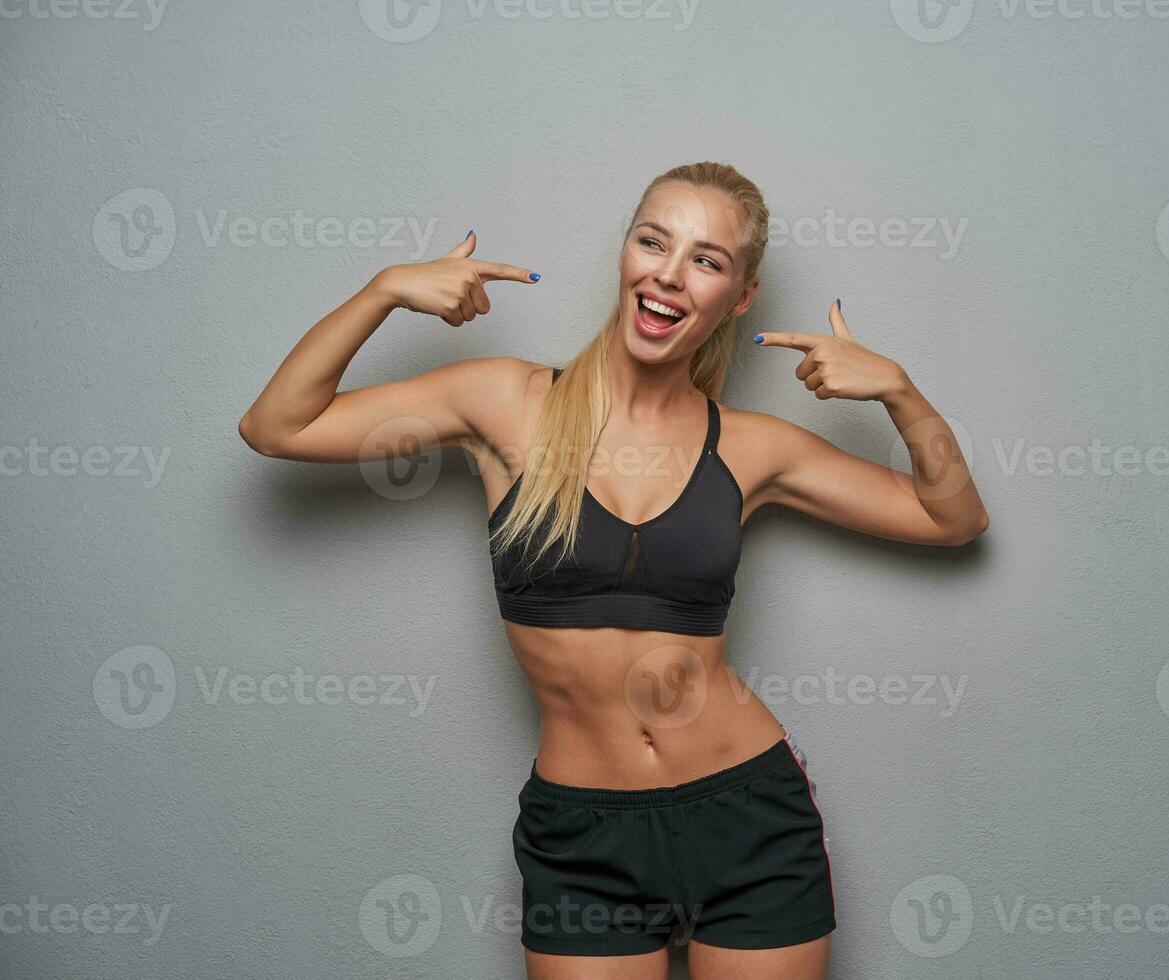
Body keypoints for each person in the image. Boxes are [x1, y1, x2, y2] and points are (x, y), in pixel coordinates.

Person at [238, 161, 988, 979]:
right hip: (581, 836)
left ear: (740, 297)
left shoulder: (750, 446)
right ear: (627, 256)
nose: (669, 272)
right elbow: (278, 425)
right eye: (653, 242)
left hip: (748, 820)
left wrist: (903, 397)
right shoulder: (506, 404)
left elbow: (952, 517)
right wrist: (383, 292)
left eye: (706, 259)